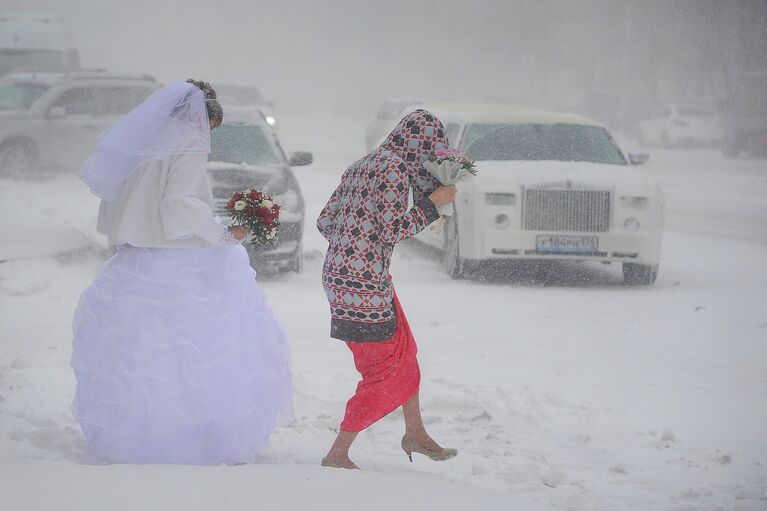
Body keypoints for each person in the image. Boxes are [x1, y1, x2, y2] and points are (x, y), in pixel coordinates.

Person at [71, 79, 293, 464]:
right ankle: (196, 440)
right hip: (180, 261)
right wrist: (223, 232)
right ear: (202, 118)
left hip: (137, 260)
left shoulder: (145, 143)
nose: (208, 135)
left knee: (144, 356)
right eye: (210, 127)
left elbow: (121, 200)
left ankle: (138, 438)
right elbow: (178, 204)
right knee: (200, 353)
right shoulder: (188, 140)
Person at [316, 109, 458, 469]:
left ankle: (415, 432)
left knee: (405, 352)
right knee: (386, 372)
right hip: (364, 285)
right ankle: (338, 453)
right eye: (430, 147)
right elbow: (392, 230)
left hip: (344, 276)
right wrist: (432, 205)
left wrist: (354, 243)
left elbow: (325, 221)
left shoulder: (363, 163)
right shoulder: (394, 169)